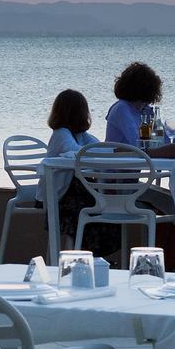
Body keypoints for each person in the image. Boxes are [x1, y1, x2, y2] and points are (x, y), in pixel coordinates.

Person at [46, 89, 117, 256]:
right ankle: (81, 256)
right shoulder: (61, 134)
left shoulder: (81, 135)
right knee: (89, 208)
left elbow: (100, 149)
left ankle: (94, 256)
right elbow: (78, 153)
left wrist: (113, 150)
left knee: (105, 205)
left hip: (71, 193)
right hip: (57, 196)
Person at [104, 62, 163, 145]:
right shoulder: (122, 108)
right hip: (119, 157)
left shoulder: (146, 110)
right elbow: (137, 143)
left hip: (138, 156)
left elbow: (163, 139)